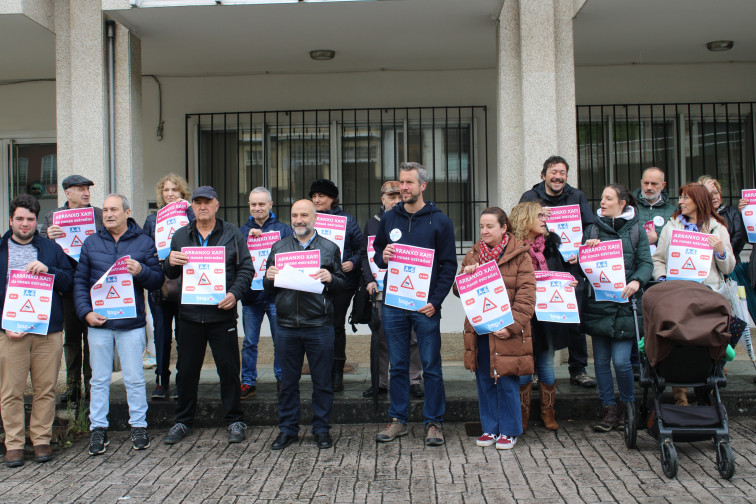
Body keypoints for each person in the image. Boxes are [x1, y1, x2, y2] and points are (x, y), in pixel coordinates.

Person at [373, 162, 457, 447]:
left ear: (422, 186)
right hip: (394, 304)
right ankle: (398, 420)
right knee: (397, 366)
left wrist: (436, 301)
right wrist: (382, 255)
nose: (403, 188)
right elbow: (377, 255)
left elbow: (448, 266)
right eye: (401, 183)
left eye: (409, 183)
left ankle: (434, 422)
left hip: (425, 307)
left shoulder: (440, 222)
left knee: (431, 366)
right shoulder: (389, 219)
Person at [162, 186, 254, 445]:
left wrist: (235, 294)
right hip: (189, 315)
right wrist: (170, 262)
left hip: (221, 314)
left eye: (207, 202)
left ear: (217, 205)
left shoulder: (232, 233)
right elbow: (169, 274)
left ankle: (235, 419)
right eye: (197, 202)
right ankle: (182, 421)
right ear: (191, 206)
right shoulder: (181, 235)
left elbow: (246, 269)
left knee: (228, 370)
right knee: (187, 371)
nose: (202, 206)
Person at [74, 194, 164, 455]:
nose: (108, 214)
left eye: (114, 209)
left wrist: (142, 272)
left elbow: (157, 280)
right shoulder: (91, 243)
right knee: (99, 380)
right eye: (104, 210)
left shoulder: (144, 242)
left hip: (130, 324)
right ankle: (98, 430)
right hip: (98, 323)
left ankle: (138, 426)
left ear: (127, 212)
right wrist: (85, 313)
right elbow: (80, 282)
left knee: (134, 378)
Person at [263, 199, 347, 451]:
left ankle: (321, 429)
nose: (299, 220)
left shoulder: (329, 248)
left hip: (319, 324)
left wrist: (331, 277)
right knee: (288, 382)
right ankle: (288, 429)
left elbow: (343, 285)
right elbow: (268, 287)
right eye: (294, 215)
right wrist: (268, 277)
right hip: (287, 324)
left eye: (304, 215)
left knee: (322, 381)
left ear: (315, 218)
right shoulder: (279, 247)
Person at [0, 195, 74, 468]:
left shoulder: (50, 248)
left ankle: (41, 439)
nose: (25, 223)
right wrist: (4, 324)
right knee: (11, 391)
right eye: (19, 218)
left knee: (46, 388)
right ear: (11, 220)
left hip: (48, 330)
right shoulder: (1, 249)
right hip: (10, 332)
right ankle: (14, 444)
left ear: (36, 221)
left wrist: (49, 270)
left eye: (30, 219)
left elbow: (69, 281)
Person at [453, 207, 536, 450]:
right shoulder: (473, 254)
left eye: (489, 226)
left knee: (508, 381)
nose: (484, 231)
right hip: (480, 330)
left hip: (508, 330)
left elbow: (527, 298)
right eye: (481, 226)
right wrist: (466, 275)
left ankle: (509, 431)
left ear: (503, 228)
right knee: (484, 381)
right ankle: (489, 428)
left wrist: (510, 326)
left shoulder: (521, 256)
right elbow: (459, 291)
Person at [653, 183, 735, 406]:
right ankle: (680, 396)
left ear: (698, 201)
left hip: (707, 296)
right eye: (680, 198)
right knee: (679, 340)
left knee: (704, 343)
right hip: (677, 295)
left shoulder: (717, 228)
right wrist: (662, 279)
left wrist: (720, 250)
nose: (680, 202)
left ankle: (706, 393)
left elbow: (728, 268)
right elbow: (659, 258)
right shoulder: (672, 226)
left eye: (685, 198)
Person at [519, 155, 597, 389]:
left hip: (571, 266)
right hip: (541, 264)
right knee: (534, 321)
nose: (558, 176)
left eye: (562, 172)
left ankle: (578, 369)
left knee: (574, 317)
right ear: (543, 175)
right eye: (553, 172)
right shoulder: (530, 197)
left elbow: (590, 225)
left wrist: (582, 250)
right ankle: (532, 370)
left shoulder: (577, 196)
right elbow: (520, 224)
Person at [581, 184, 653, 432]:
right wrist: (587, 254)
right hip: (599, 304)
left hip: (626, 305)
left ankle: (629, 407)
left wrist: (637, 281)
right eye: (601, 197)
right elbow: (582, 268)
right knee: (600, 361)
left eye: (608, 198)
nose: (602, 202)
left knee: (622, 362)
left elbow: (646, 262)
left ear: (622, 203)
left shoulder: (636, 230)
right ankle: (608, 409)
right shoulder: (591, 228)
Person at [509, 201, 577, 432]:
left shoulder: (551, 245)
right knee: (524, 365)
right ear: (525, 219)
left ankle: (549, 412)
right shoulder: (513, 247)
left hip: (548, 314)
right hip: (524, 314)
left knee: (547, 362)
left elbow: (562, 272)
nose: (543, 218)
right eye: (538, 215)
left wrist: (569, 282)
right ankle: (522, 413)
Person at [40, 174, 104, 405]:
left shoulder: (98, 214)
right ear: (68, 193)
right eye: (80, 188)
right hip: (67, 285)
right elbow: (41, 250)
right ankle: (73, 387)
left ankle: (91, 386)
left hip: (93, 284)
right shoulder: (52, 217)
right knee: (72, 338)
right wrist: (47, 236)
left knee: (92, 337)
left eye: (88, 188)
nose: (86, 192)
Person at [360, 181, 424, 399]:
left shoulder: (413, 221)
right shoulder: (371, 224)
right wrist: (368, 280)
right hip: (380, 291)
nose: (396, 200)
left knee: (413, 338)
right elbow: (365, 255)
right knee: (380, 338)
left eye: (399, 196)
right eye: (392, 197)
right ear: (383, 199)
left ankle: (414, 380)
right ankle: (379, 382)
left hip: (410, 291)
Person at [142, 173, 194, 399]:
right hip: (158, 283)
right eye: (166, 190)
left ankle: (183, 380)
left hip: (185, 281)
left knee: (185, 334)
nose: (170, 194)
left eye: (174, 190)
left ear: (182, 193)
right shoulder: (152, 220)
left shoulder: (190, 215)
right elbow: (144, 249)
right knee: (161, 333)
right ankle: (161, 380)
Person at [309, 179, 362, 392]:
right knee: (316, 327)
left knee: (336, 326)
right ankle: (321, 372)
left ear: (333, 198)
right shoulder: (309, 219)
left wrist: (353, 262)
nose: (317, 200)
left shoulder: (347, 220)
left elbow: (361, 249)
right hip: (314, 283)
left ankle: (337, 372)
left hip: (342, 283)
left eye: (321, 196)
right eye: (314, 196)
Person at [239, 187, 292, 398]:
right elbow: (235, 258)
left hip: (276, 295)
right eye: (253, 204)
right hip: (251, 296)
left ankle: (282, 379)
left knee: (280, 339)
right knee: (249, 342)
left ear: (271, 205)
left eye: (262, 204)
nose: (257, 208)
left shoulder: (283, 230)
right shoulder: (241, 231)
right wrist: (247, 240)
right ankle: (248, 381)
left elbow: (291, 255)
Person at [699, 175, 746, 261]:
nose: (714, 197)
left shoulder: (732, 212)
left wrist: (723, 252)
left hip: (730, 263)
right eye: (709, 194)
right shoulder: (698, 215)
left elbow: (739, 236)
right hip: (705, 261)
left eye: (716, 193)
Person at [633, 167, 677, 248]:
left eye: (654, 184)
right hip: (636, 259)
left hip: (661, 259)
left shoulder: (672, 211)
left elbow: (676, 241)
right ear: (641, 183)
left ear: (663, 185)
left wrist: (657, 238)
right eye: (646, 183)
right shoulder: (630, 208)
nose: (649, 187)